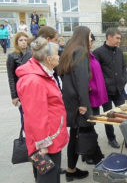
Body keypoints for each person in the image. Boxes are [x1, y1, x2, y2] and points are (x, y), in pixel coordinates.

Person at [16, 37, 69, 183]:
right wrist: (43, 145)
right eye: (57, 54)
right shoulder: (34, 80)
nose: (59, 56)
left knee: (52, 175)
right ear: (48, 59)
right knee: (48, 178)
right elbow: (36, 116)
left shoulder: (42, 74)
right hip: (46, 142)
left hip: (51, 136)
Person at [58, 26, 104, 181]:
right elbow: (81, 80)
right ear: (84, 36)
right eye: (90, 36)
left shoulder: (69, 51)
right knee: (87, 133)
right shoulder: (81, 52)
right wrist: (84, 104)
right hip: (79, 102)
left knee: (76, 135)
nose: (91, 39)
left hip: (70, 101)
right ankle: (105, 167)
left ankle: (71, 170)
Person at [93, 28, 127, 149]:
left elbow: (123, 67)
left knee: (125, 114)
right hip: (106, 91)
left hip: (119, 89)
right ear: (109, 37)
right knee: (109, 116)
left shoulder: (119, 52)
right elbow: (95, 73)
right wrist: (105, 83)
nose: (119, 41)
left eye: (120, 38)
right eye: (117, 38)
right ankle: (111, 138)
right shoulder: (97, 53)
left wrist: (123, 81)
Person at [82, 33, 108, 165]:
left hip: (96, 96)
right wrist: (89, 86)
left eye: (92, 40)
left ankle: (88, 151)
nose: (92, 42)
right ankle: (87, 153)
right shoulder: (81, 56)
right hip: (90, 97)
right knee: (88, 127)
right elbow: (80, 76)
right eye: (90, 40)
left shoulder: (89, 54)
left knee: (91, 125)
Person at [6, 32, 29, 125]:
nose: (23, 42)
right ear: (16, 42)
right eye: (21, 40)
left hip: (31, 88)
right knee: (24, 115)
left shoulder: (31, 54)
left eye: (25, 40)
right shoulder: (12, 56)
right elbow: (11, 77)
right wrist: (14, 96)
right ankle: (24, 137)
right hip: (21, 90)